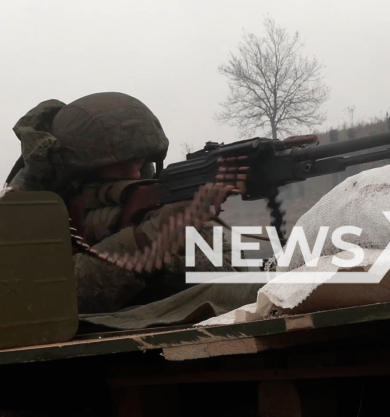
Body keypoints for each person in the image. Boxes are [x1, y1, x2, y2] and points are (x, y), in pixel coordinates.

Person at [7, 92, 245, 315]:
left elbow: (234, 272)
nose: (133, 174)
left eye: (139, 163)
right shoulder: (27, 213)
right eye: (120, 165)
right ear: (77, 177)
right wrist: (140, 242)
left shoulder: (155, 201)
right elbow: (43, 300)